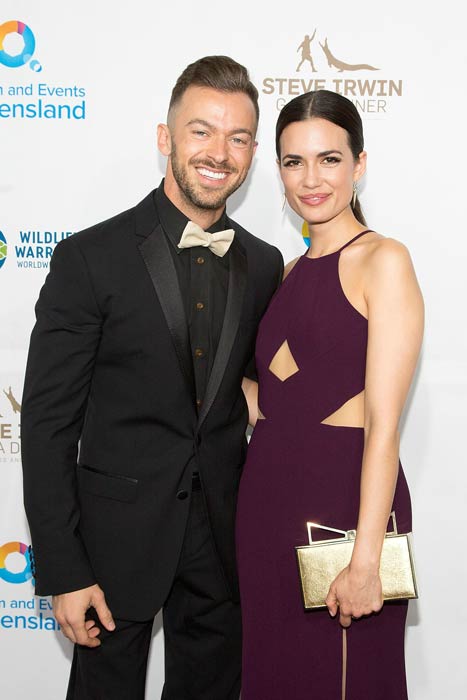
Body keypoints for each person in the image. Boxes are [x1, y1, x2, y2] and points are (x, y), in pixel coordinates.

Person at [21, 55, 283, 700]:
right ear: (165, 139)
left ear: (252, 154)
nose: (219, 152)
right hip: (113, 551)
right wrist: (63, 568)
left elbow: (254, 391)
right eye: (201, 131)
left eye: (239, 137)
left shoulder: (265, 263)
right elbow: (47, 425)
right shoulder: (91, 257)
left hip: (223, 548)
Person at [236, 89, 424, 699]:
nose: (310, 179)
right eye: (294, 162)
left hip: (343, 521)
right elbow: (273, 403)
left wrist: (366, 559)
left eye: (329, 159)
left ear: (359, 165)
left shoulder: (383, 260)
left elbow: (384, 425)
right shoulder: (288, 273)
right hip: (266, 511)